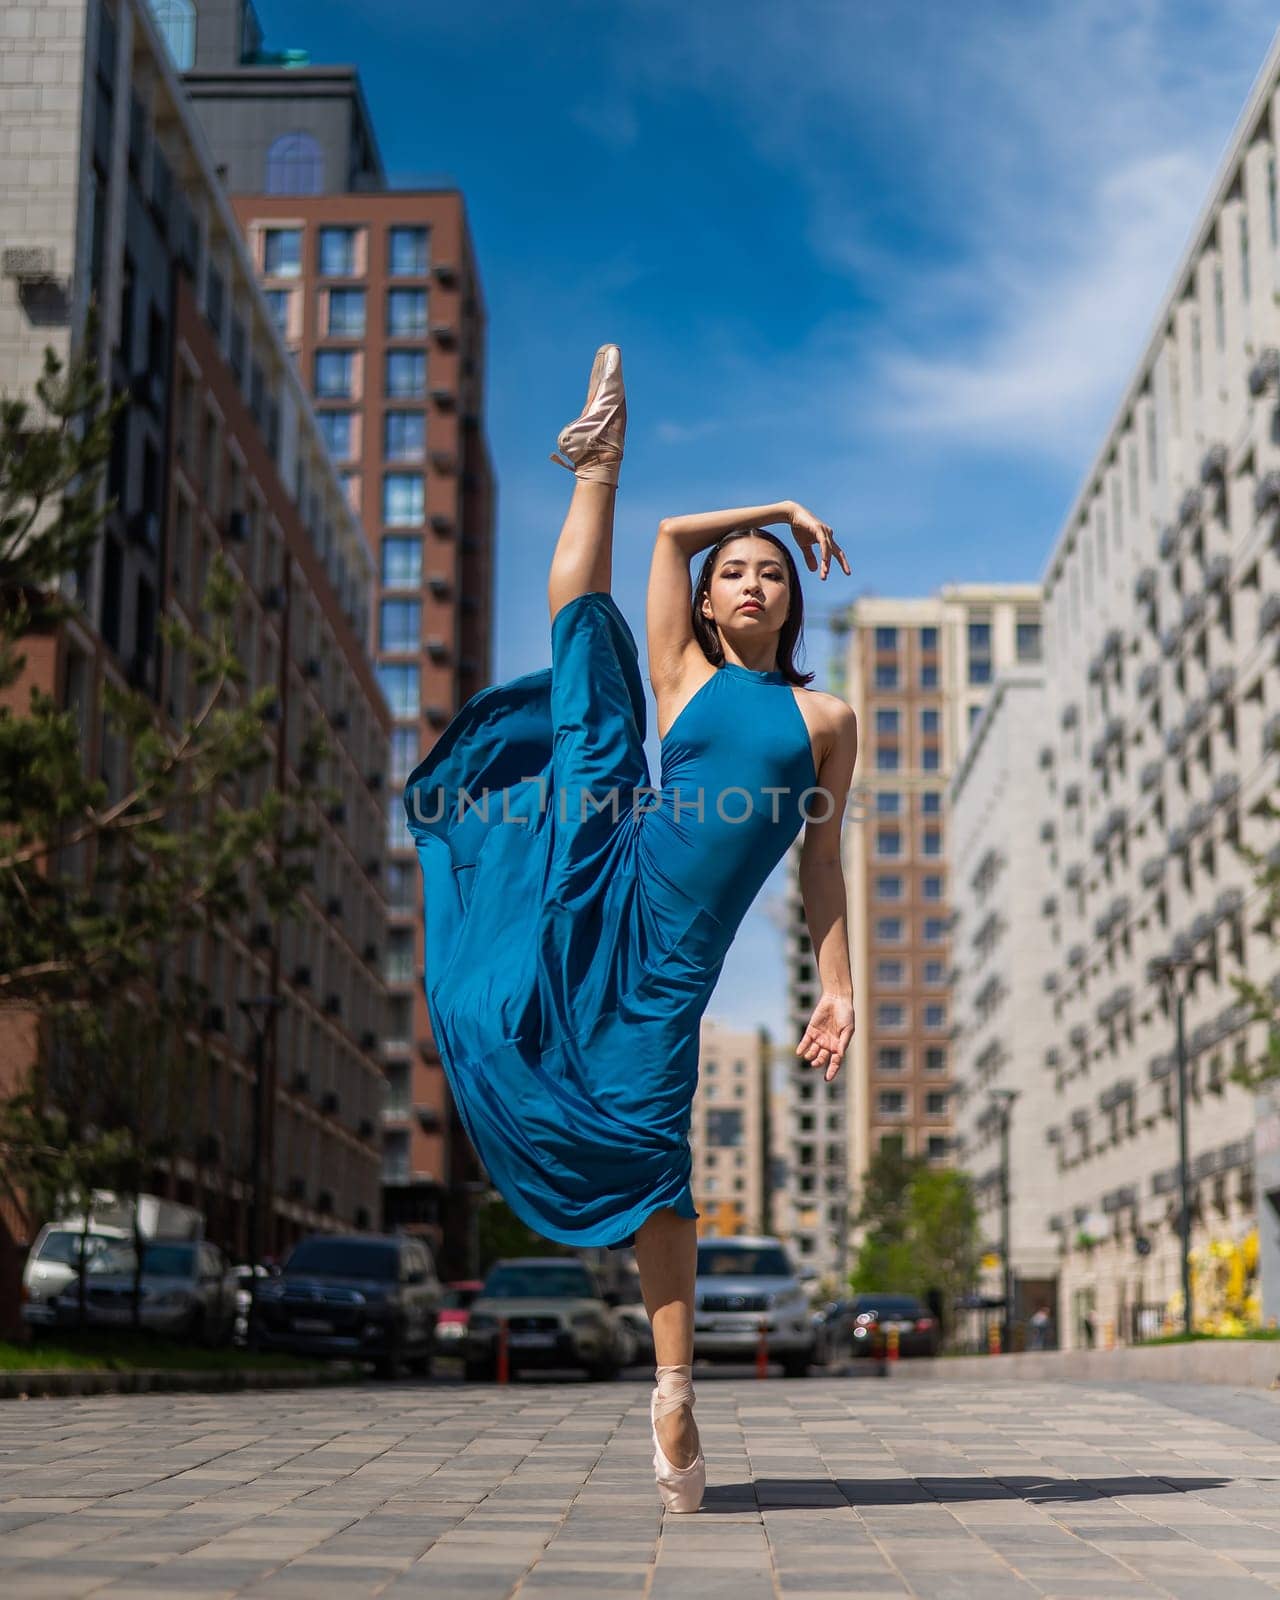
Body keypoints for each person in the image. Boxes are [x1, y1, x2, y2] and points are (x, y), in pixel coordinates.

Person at [404, 345, 857, 1512]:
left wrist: (835, 987)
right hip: (614, 852)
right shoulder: (688, 674)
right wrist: (779, 503)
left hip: (670, 959)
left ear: (791, 602)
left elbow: (820, 860)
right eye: (737, 571)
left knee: (657, 1158)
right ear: (709, 601)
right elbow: (664, 545)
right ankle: (593, 459)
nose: (753, 580)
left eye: (771, 572)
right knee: (584, 647)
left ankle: (670, 1388)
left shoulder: (824, 719)